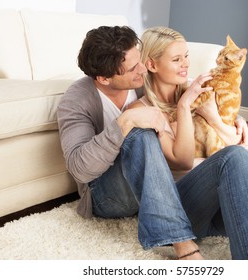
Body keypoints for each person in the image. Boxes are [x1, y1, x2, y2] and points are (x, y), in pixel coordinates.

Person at [127, 26, 248, 259]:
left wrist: (222, 119)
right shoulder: (142, 110)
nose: (186, 64)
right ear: (152, 65)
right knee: (235, 158)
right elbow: (184, 162)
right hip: (181, 210)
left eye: (187, 56)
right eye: (177, 59)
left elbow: (234, 142)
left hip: (221, 203)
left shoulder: (196, 90)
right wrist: (184, 107)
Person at [57, 25, 210, 260]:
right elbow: (79, 169)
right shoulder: (76, 100)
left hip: (149, 185)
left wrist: (234, 120)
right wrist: (125, 121)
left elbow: (183, 90)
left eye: (140, 61)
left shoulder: (142, 80)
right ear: (104, 78)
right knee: (140, 133)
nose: (142, 69)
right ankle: (183, 246)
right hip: (105, 195)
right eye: (132, 68)